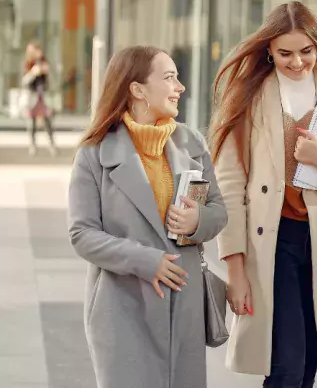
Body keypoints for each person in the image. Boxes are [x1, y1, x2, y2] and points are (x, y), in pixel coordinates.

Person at [210, 0, 317, 388]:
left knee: (308, 364)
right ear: (268, 49)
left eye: (306, 51)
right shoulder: (249, 94)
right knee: (285, 364)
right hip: (272, 242)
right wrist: (235, 269)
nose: (297, 62)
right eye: (285, 53)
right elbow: (230, 186)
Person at [67, 46, 228, 388]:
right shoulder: (94, 153)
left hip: (183, 308)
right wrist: (144, 260)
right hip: (123, 307)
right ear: (138, 89)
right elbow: (82, 234)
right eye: (170, 78)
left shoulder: (192, 143)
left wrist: (197, 221)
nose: (180, 87)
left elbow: (218, 212)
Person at [21, 42, 56, 156]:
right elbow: (23, 82)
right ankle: (33, 145)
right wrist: (33, 73)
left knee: (47, 121)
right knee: (31, 123)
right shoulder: (27, 64)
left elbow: (52, 82)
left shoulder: (44, 63)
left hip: (43, 97)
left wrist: (47, 72)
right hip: (32, 97)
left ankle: (51, 144)